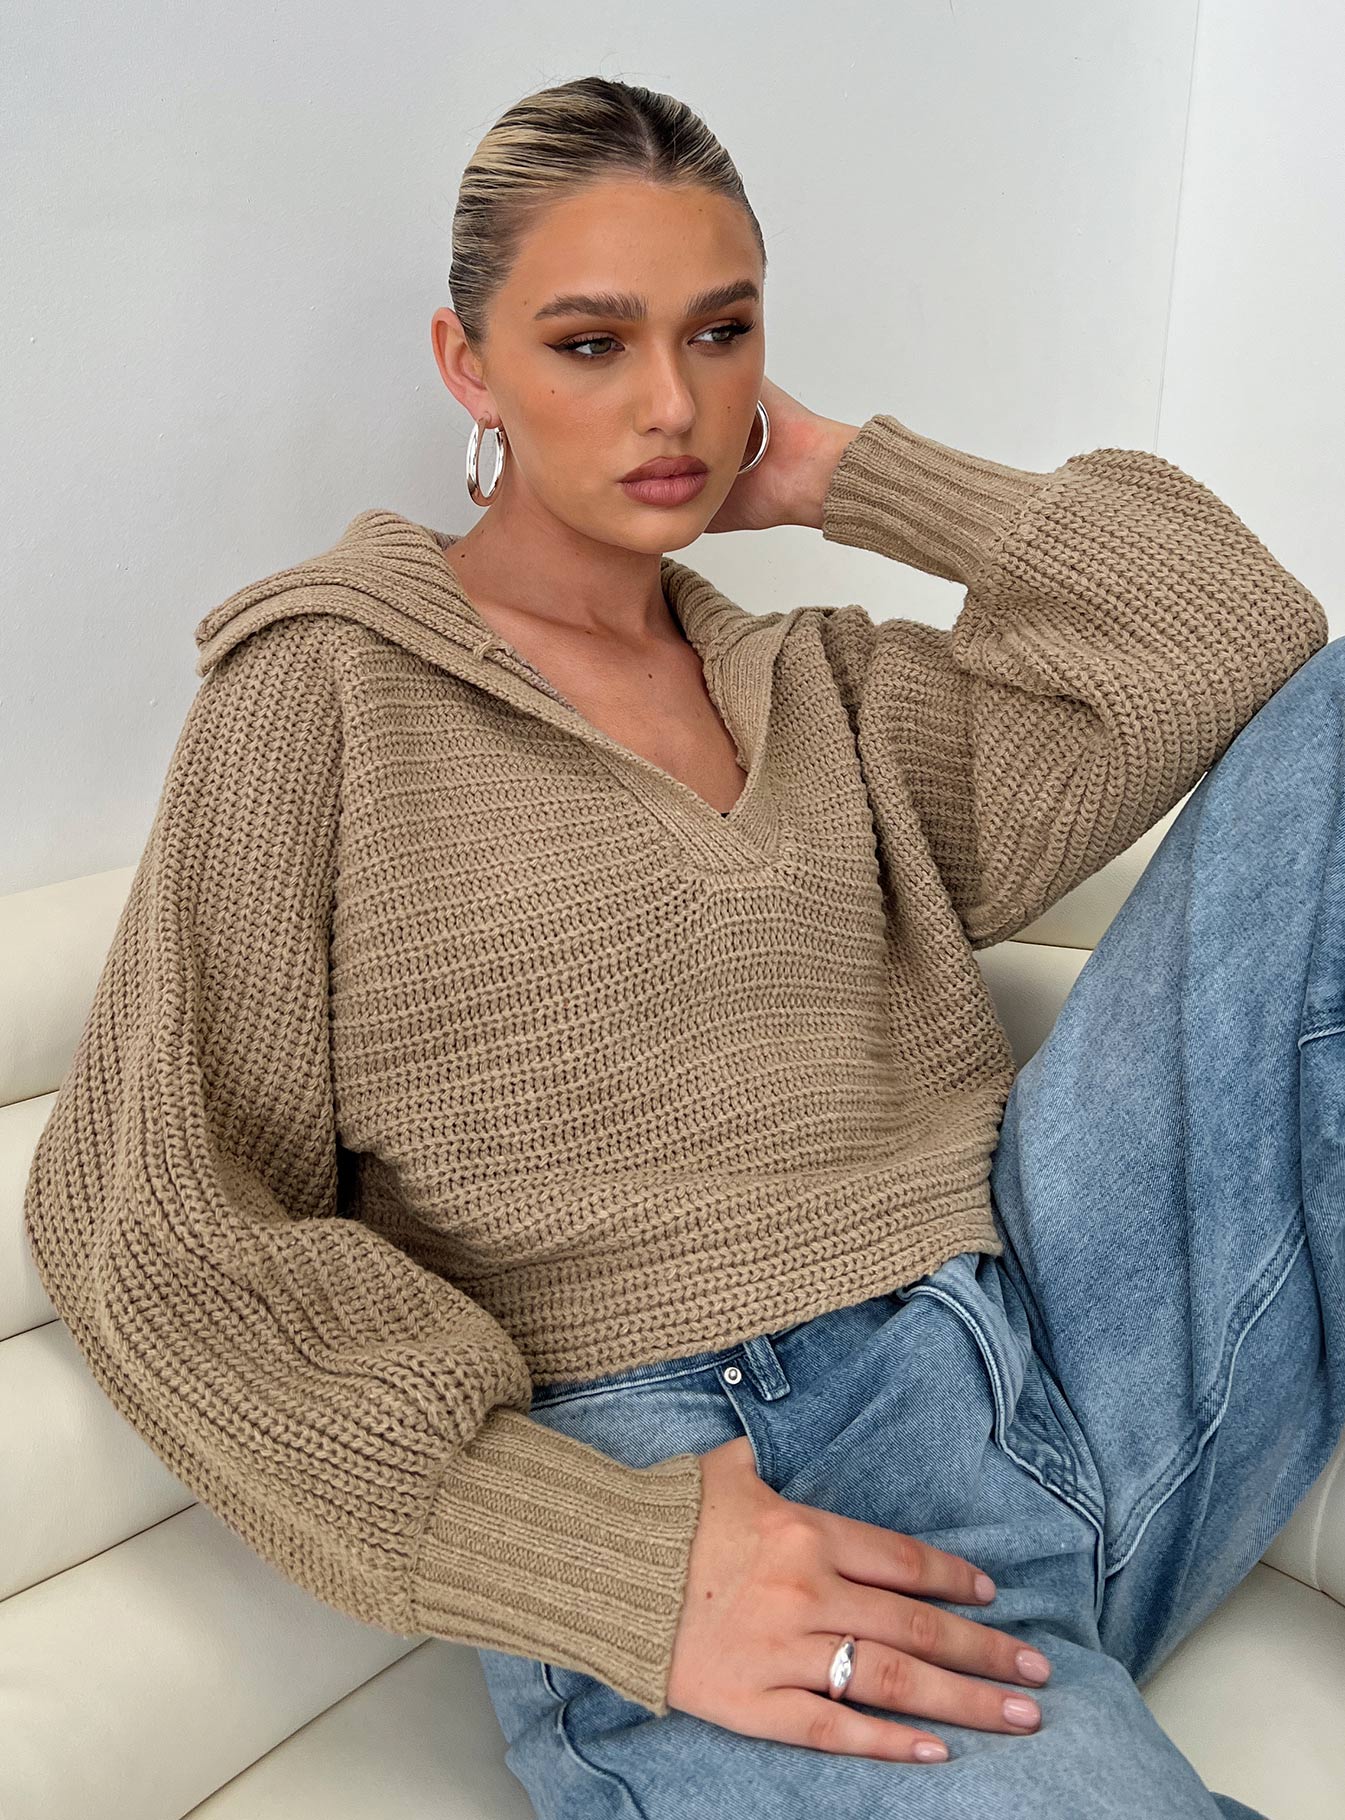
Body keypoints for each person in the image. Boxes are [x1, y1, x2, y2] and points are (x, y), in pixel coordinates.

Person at [23, 73, 1343, 1820]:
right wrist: (604, 1562)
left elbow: (1235, 635)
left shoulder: (821, 688)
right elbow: (152, 1220)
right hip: (717, 1484)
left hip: (1059, 1339)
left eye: (719, 334)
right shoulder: (319, 699)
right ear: (466, 365)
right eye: (590, 343)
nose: (671, 403)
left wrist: (841, 471)